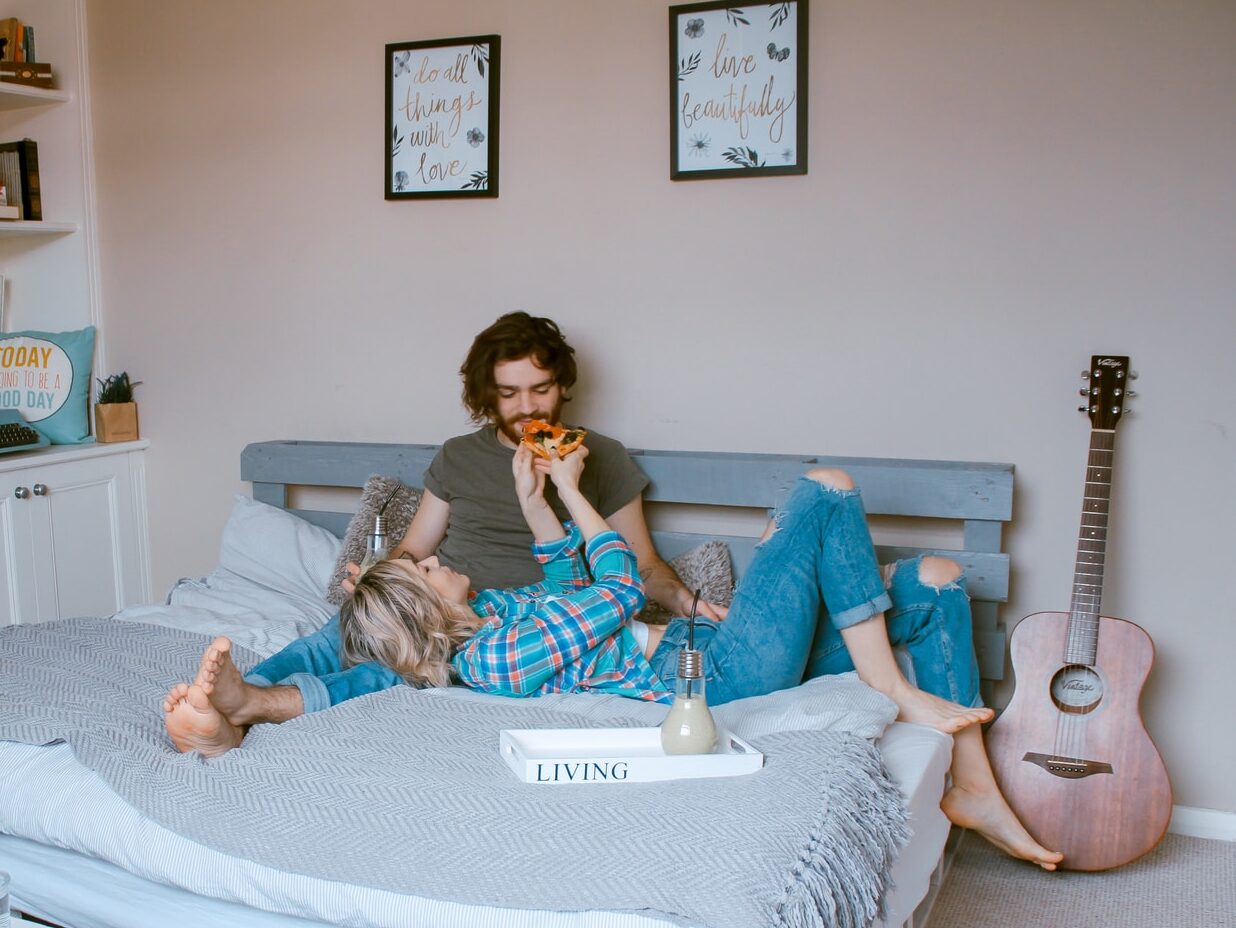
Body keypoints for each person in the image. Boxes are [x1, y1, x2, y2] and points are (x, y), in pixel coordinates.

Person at [164, 444, 1063, 870]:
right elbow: (619, 588)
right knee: (825, 490)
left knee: (941, 577)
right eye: (428, 567)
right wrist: (573, 498)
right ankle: (888, 687)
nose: (437, 556)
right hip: (718, 671)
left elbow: (568, 571)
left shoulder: (501, 609)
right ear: (427, 609)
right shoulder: (499, 660)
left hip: (716, 644)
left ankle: (972, 781)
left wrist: (547, 498)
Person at [382, 311, 726, 620]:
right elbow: (414, 550)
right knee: (349, 633)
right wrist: (377, 579)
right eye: (508, 393)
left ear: (561, 386)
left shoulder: (602, 456)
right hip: (447, 612)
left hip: (544, 619)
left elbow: (644, 566)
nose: (528, 407)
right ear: (487, 394)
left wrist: (682, 601)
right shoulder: (456, 455)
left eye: (541, 389)